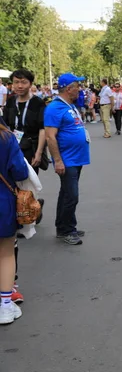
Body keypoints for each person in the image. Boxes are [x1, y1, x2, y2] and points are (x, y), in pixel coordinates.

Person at [5, 69, 48, 303]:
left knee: (26, 187)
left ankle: (27, 211)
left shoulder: (38, 103)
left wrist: (40, 152)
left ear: (31, 84)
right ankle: (25, 210)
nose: (18, 86)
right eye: (15, 82)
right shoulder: (10, 102)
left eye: (23, 83)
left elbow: (42, 129)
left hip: (31, 148)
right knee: (13, 189)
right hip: (12, 148)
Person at [44, 73, 91, 245]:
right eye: (77, 86)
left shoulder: (69, 105)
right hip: (67, 159)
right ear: (69, 88)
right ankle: (67, 231)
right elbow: (50, 137)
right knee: (72, 195)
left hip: (76, 158)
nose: (80, 89)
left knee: (65, 193)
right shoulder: (55, 108)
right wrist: (57, 160)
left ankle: (64, 225)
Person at [0, 122, 29, 324]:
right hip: (2, 202)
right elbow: (20, 171)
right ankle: (5, 305)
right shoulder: (6, 138)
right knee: (6, 253)